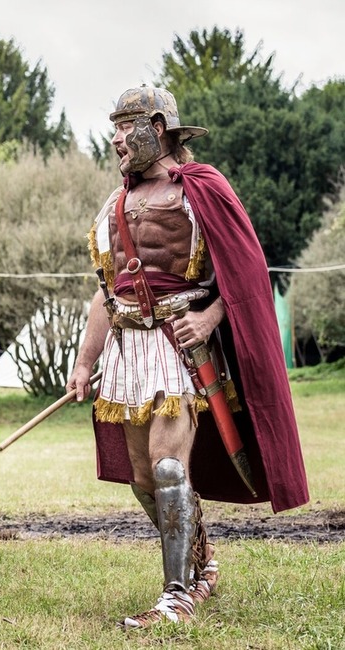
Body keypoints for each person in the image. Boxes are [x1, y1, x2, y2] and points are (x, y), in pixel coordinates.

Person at [66, 85, 308, 628]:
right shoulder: (115, 203)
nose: (117, 140)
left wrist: (211, 316)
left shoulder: (203, 188)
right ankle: (202, 566)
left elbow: (245, 272)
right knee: (143, 480)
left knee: (170, 467)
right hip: (129, 348)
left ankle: (176, 595)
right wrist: (85, 362)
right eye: (115, 129)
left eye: (126, 127)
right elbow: (107, 292)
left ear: (157, 126)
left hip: (182, 344)